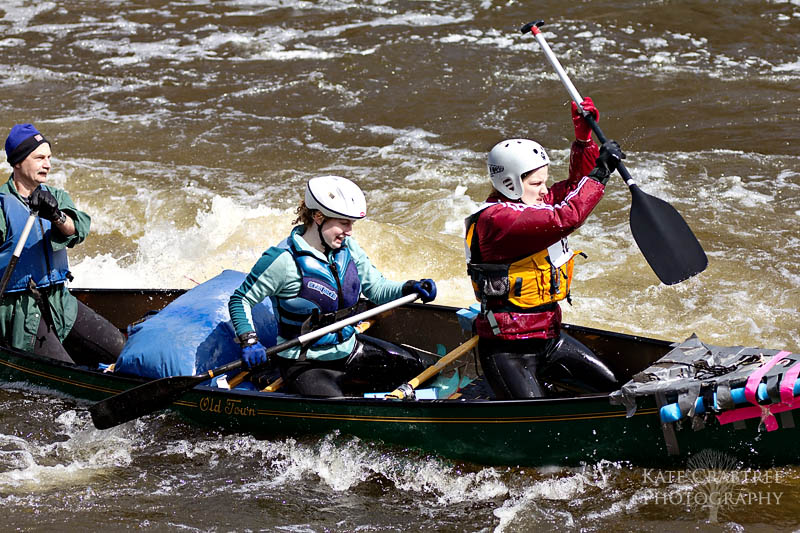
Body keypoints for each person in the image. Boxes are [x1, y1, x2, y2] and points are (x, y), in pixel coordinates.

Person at [464, 98, 622, 399]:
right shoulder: (499, 220)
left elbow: (577, 186)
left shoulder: (534, 202)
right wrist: (601, 172)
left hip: (548, 339)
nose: (545, 190)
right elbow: (568, 216)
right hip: (508, 352)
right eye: (537, 183)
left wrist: (583, 140)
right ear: (510, 183)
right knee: (535, 419)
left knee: (614, 389)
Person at [229, 175, 437, 397]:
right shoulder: (283, 261)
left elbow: (376, 288)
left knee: (426, 369)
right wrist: (249, 340)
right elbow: (240, 299)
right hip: (305, 364)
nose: (349, 231)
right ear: (318, 217)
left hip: (349, 350)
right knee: (341, 416)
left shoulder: (349, 249)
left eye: (351, 224)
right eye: (344, 223)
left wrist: (410, 287)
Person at [0, 123, 125, 366]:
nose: (47, 164)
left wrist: (56, 215)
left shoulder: (55, 197)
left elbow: (78, 230)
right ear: (17, 162)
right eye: (39, 158)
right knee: (67, 373)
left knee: (122, 351)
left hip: (60, 301)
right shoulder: (1, 206)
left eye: (49, 157)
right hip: (22, 312)